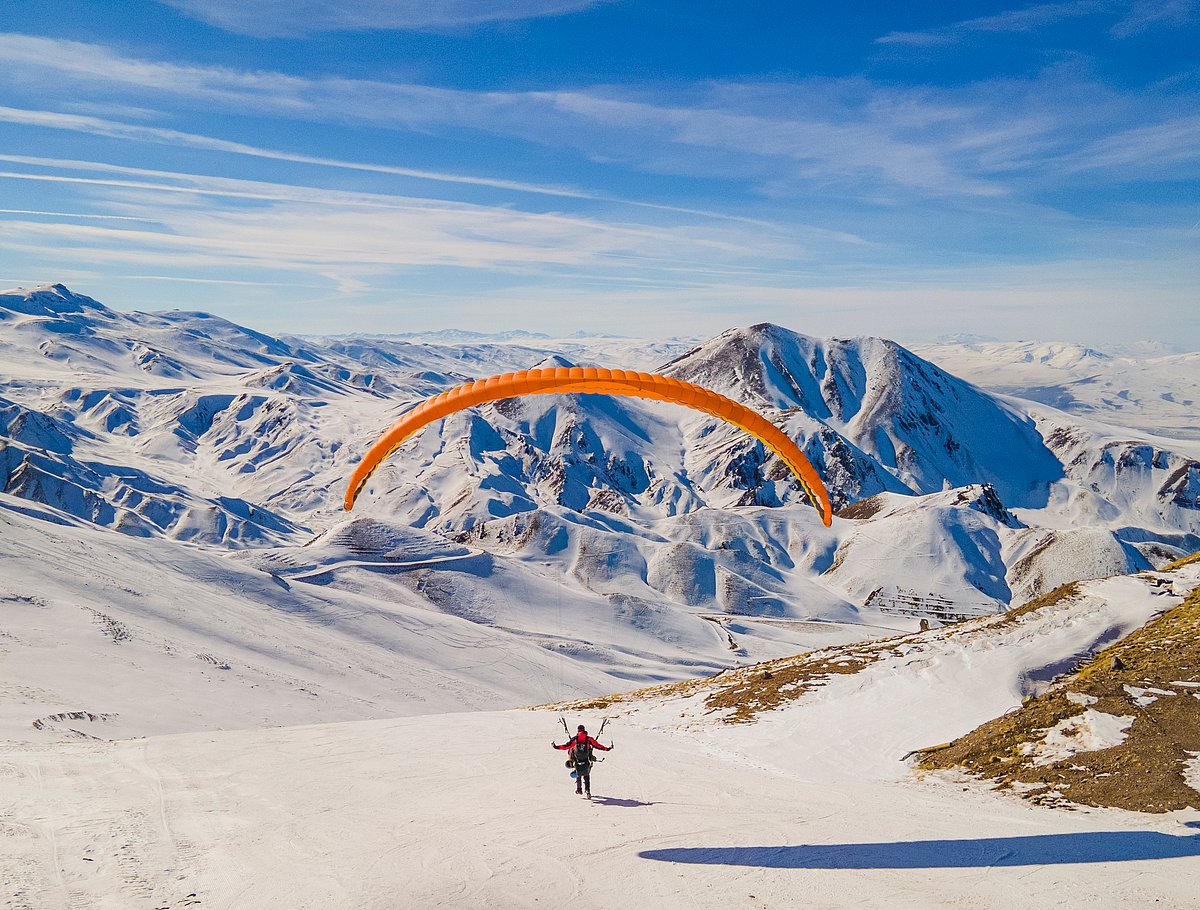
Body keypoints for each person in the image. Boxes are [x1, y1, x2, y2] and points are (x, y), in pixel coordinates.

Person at [553, 724, 612, 797]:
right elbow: (598, 746)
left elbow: (566, 746)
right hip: (586, 759)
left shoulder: (575, 739)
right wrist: (607, 749)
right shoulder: (589, 739)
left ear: (578, 731)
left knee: (578, 772)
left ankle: (579, 789)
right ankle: (587, 790)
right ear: (584, 730)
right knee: (586, 774)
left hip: (577, 759)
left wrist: (556, 747)